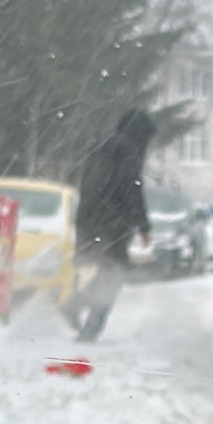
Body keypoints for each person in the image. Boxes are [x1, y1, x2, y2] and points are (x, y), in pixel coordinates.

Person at [63, 109, 154, 339]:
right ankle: (90, 328)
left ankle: (76, 303)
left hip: (88, 220)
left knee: (105, 269)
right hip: (113, 224)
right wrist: (144, 226)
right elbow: (130, 188)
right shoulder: (128, 151)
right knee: (114, 273)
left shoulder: (100, 147)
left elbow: (86, 182)